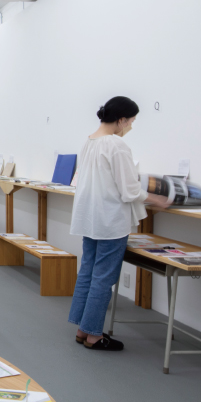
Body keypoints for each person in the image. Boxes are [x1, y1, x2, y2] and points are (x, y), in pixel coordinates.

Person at [68, 96, 168, 351]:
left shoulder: (89, 141)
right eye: (131, 121)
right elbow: (129, 190)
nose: (131, 126)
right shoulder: (116, 145)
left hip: (90, 219)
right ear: (121, 120)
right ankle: (93, 335)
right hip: (110, 221)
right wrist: (157, 198)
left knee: (88, 272)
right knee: (103, 277)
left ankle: (82, 329)